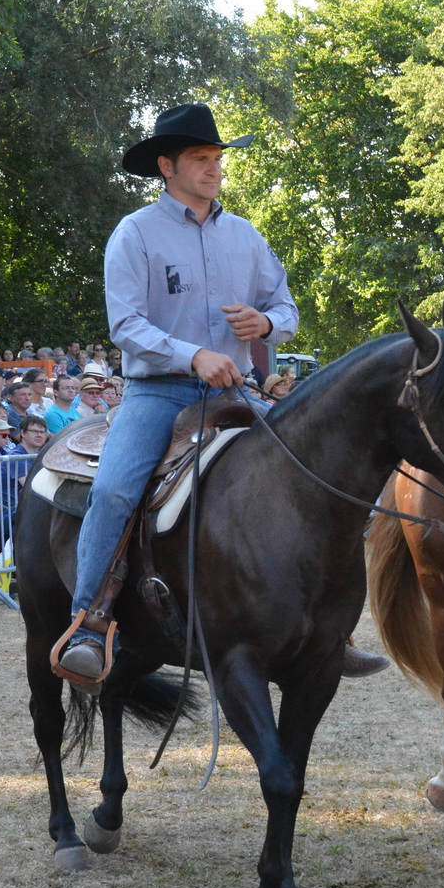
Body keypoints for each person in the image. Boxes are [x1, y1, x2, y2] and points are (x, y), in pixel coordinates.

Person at [57, 102, 313, 682]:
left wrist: (267, 324)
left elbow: (286, 307)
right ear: (166, 166)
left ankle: (321, 623)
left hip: (238, 392)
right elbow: (126, 325)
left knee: (307, 473)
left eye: (217, 157)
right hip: (160, 394)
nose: (214, 168)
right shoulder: (135, 233)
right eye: (200, 158)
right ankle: (89, 623)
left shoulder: (246, 235)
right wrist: (193, 355)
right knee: (115, 492)